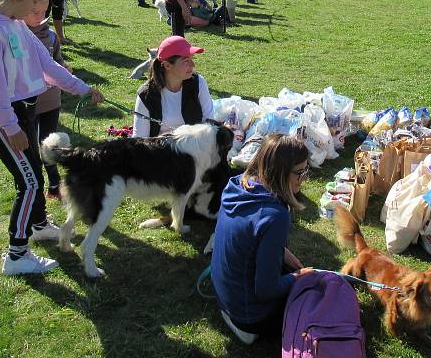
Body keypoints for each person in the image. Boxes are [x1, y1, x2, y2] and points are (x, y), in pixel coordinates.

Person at [0, 0, 104, 275]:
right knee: (29, 183)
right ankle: (17, 255)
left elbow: (47, 65)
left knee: (34, 173)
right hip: (2, 117)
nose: (40, 5)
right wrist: (11, 128)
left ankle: (38, 225)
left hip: (23, 111)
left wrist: (83, 88)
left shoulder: (16, 26)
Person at [211, 134, 314, 344]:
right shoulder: (274, 216)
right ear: (279, 172)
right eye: (299, 172)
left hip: (224, 295)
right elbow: (266, 291)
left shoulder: (236, 185)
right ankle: (246, 331)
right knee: (312, 297)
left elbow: (246, 233)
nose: (304, 178)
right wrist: (298, 277)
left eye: (305, 170)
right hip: (248, 316)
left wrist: (281, 251)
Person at [23, 0, 66, 200]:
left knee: (47, 142)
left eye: (44, 12)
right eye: (35, 12)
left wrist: (65, 69)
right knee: (30, 146)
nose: (40, 17)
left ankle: (54, 182)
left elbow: (57, 61)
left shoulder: (50, 36)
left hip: (51, 100)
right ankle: (34, 185)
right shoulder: (17, 36)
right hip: (27, 102)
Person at [132, 35, 214, 138]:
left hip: (196, 148)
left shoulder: (198, 82)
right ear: (167, 65)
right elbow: (140, 138)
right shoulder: (146, 95)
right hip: (159, 151)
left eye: (191, 59)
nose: (192, 65)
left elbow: (210, 123)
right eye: (186, 61)